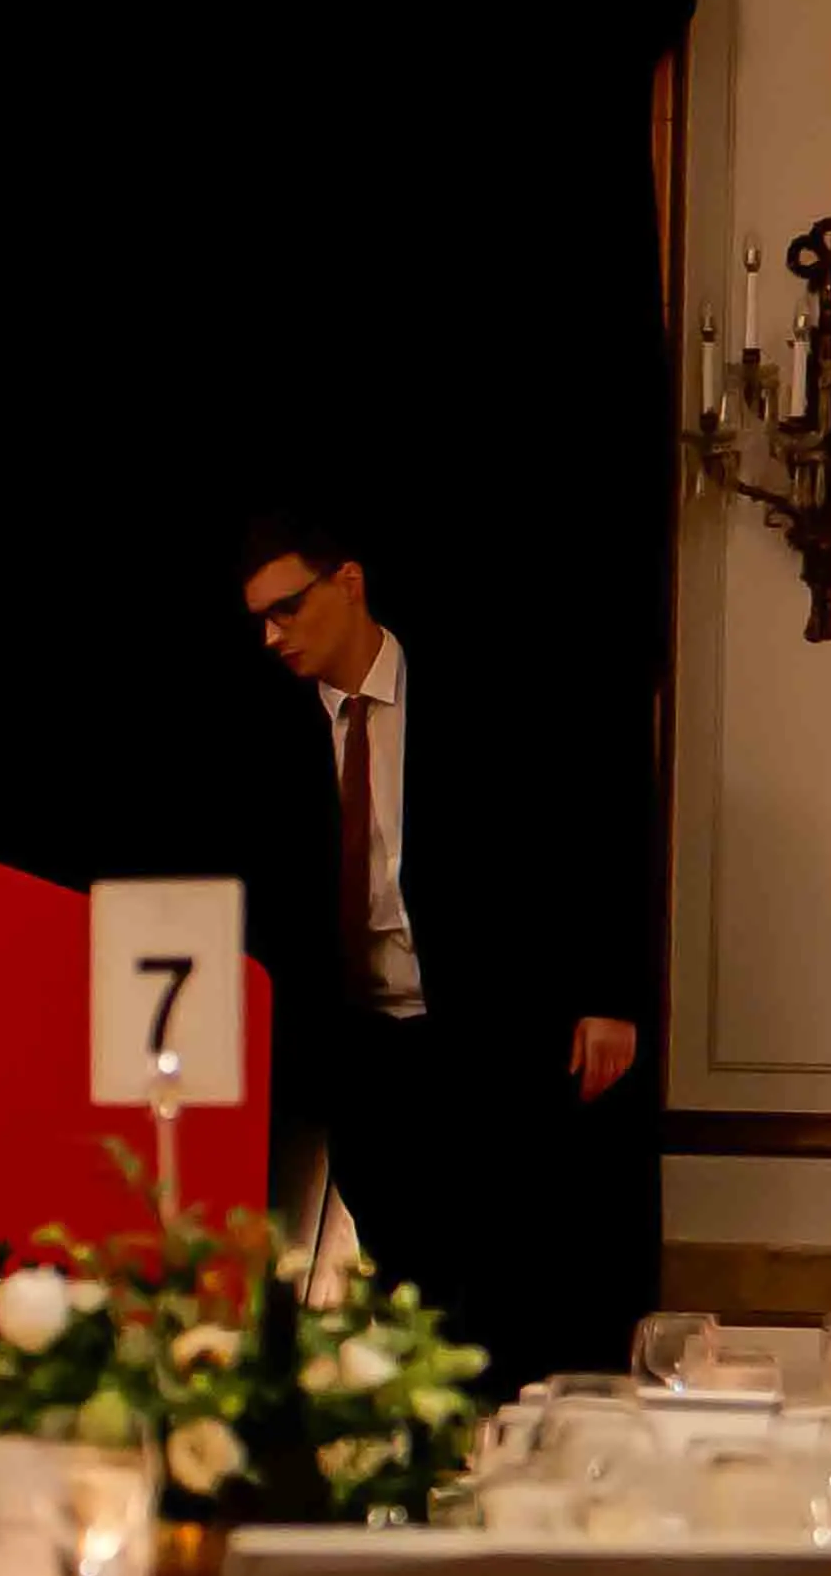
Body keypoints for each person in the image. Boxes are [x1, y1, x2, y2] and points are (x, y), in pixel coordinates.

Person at [242, 512, 643, 1392]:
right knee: (400, 1285)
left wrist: (609, 992)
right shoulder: (269, 731)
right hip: (356, 1043)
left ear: (349, 584)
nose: (274, 637)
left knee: (506, 1281)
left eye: (288, 609)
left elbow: (594, 826)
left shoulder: (479, 683)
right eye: (260, 620)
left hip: (487, 1024)